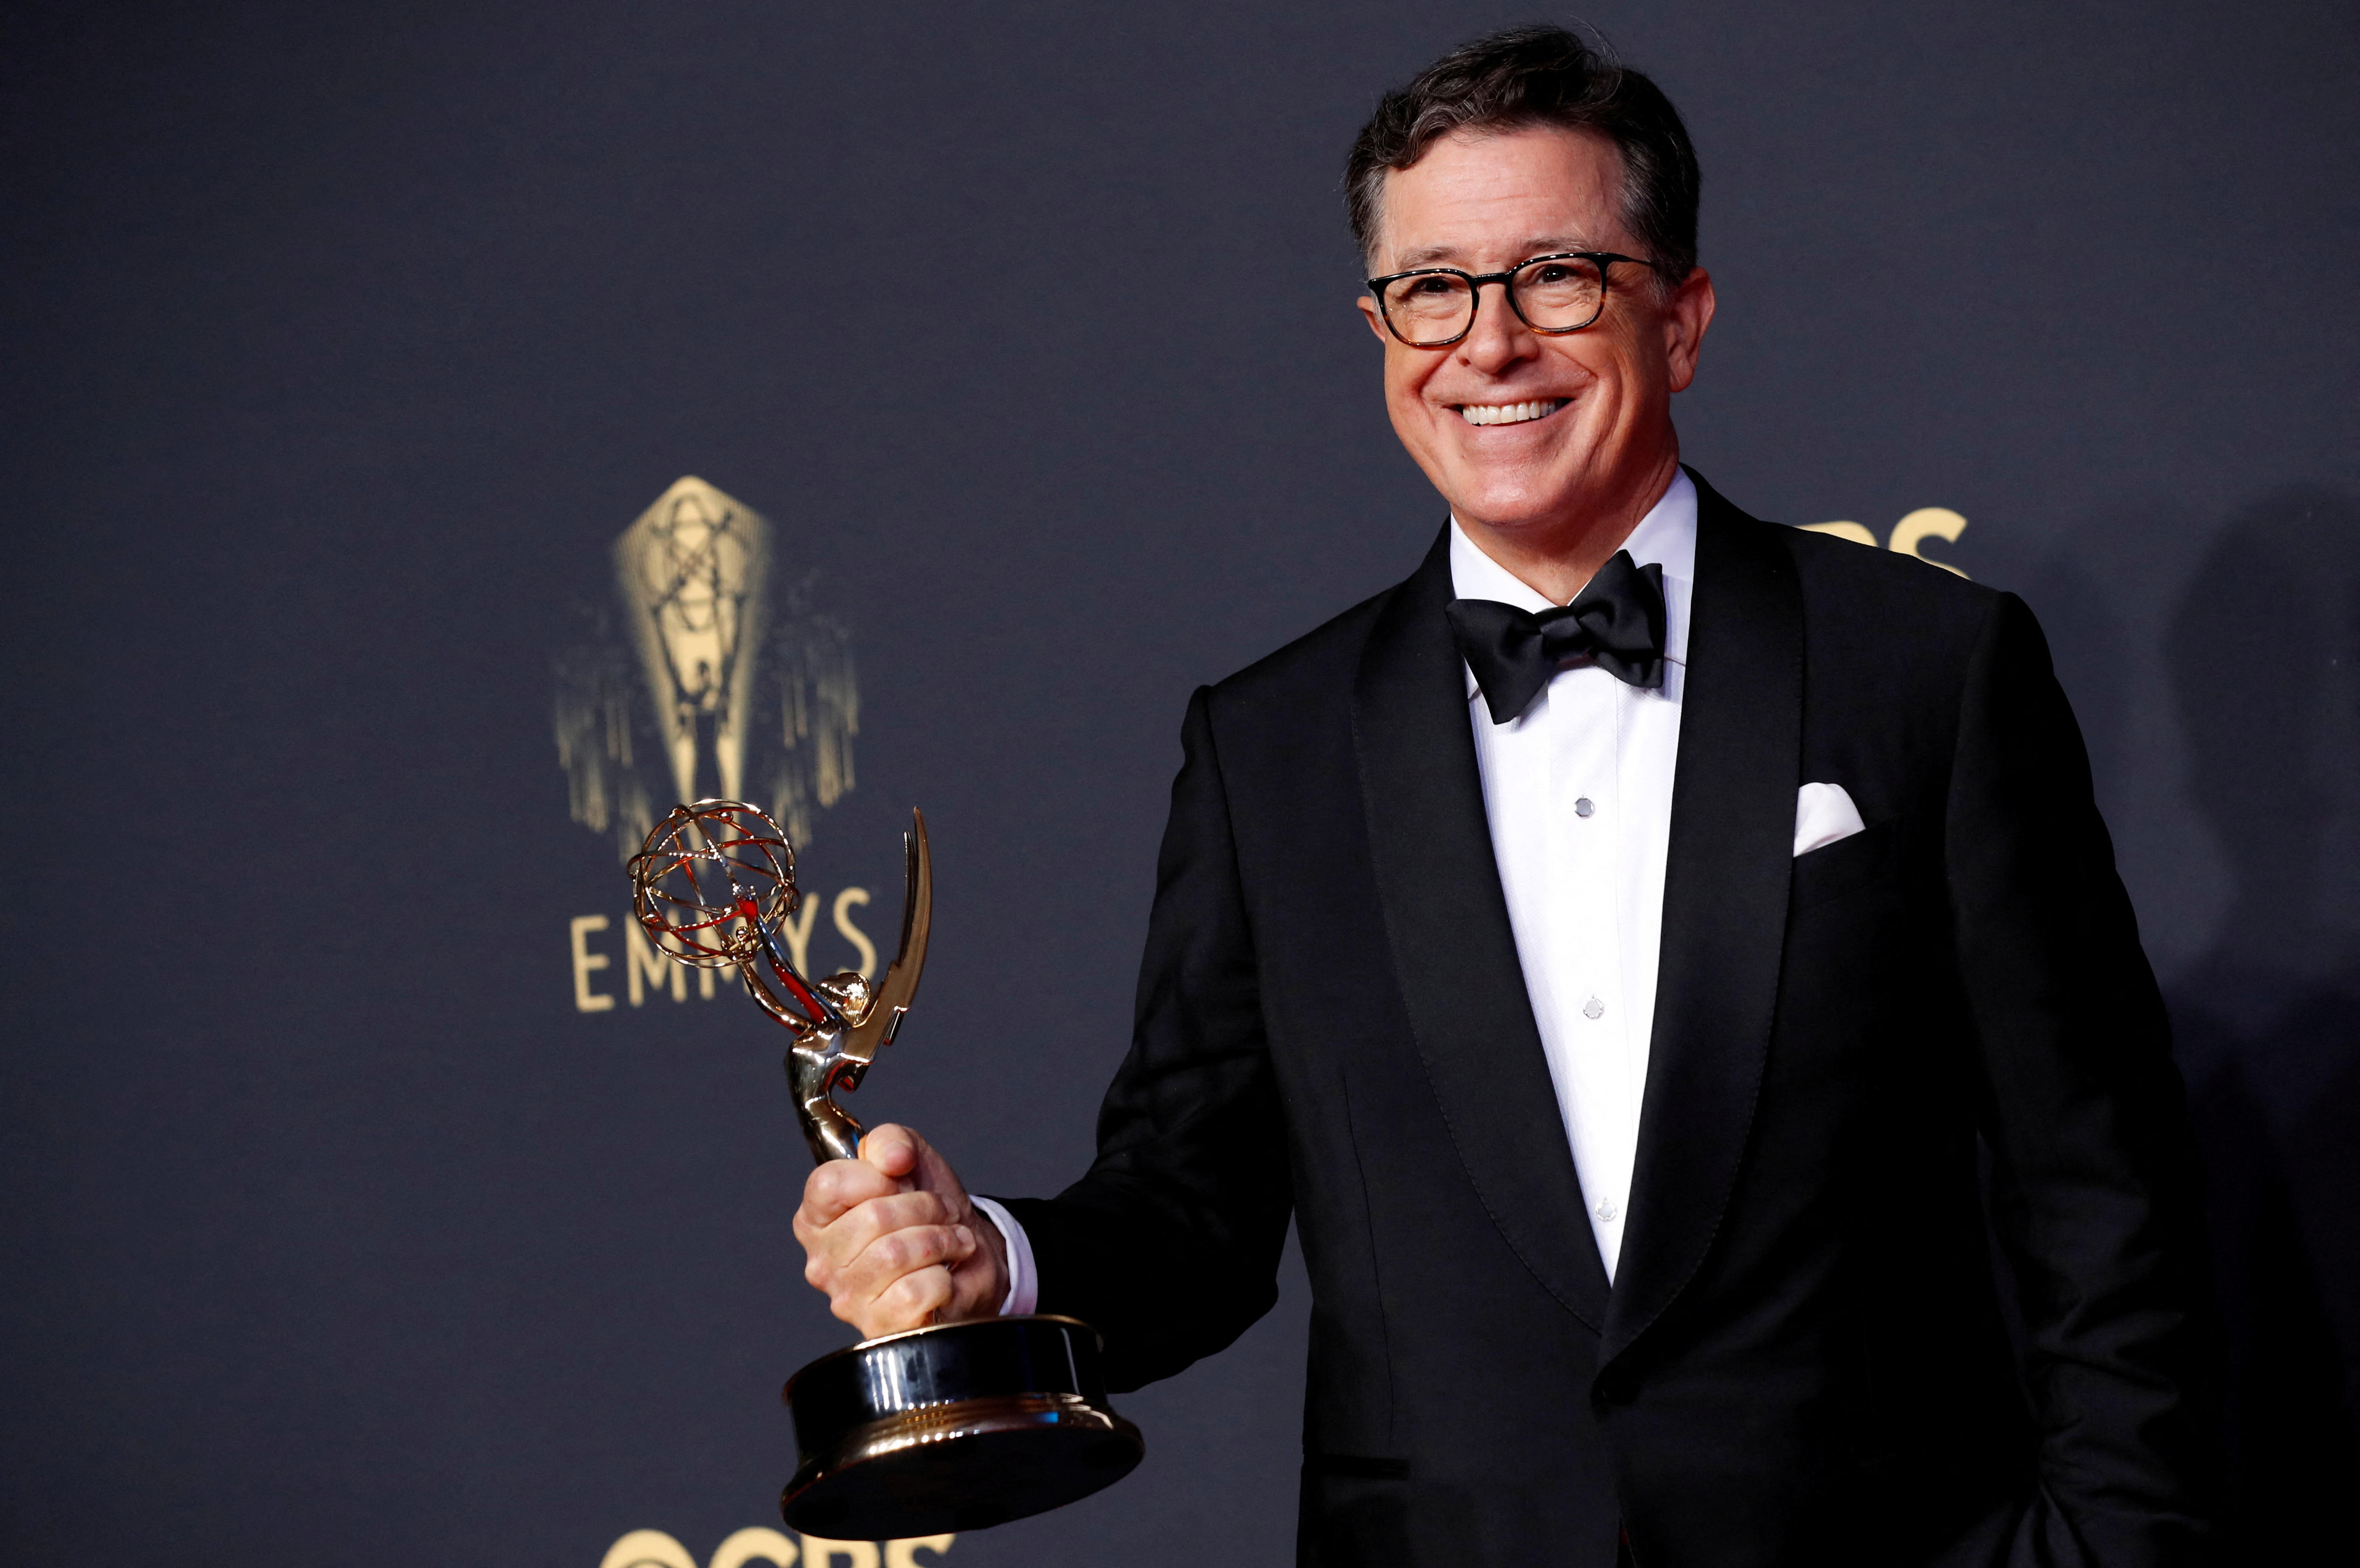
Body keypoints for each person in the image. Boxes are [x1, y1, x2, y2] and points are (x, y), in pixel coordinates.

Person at [791, 25, 2213, 1568]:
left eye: (1557, 275)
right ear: (1381, 326)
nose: (1488, 343)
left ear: (1681, 319)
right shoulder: (1268, 750)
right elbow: (1193, 1218)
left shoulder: (1926, 669)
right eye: (1433, 287)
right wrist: (987, 1255)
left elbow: (2104, 1198)